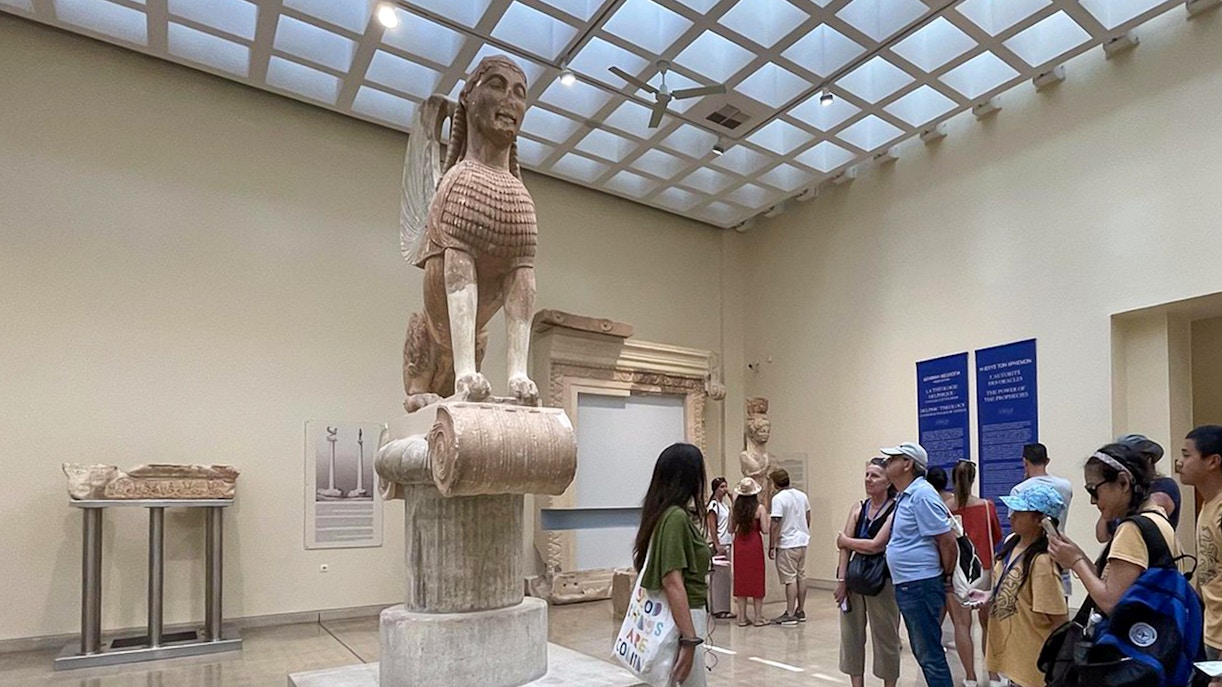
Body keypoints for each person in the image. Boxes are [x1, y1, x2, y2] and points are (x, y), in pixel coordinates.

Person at [1048, 443, 1181, 618]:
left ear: (1123, 482)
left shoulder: (1132, 530)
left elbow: (1111, 602)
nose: (1093, 501)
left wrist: (1075, 562)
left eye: (1093, 490)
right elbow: (1110, 581)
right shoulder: (1157, 517)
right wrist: (1078, 555)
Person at [634, 443, 712, 687]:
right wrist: (689, 639)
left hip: (682, 615)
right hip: (683, 616)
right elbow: (672, 580)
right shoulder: (675, 517)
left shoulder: (665, 514)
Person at [881, 441, 957, 687]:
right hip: (910, 583)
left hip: (920, 584)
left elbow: (947, 541)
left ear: (908, 464)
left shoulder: (922, 495)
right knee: (924, 651)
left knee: (929, 653)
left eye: (893, 459)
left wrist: (946, 577)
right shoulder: (907, 495)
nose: (886, 463)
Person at [983, 484, 1068, 687]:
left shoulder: (1042, 562)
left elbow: (1059, 621)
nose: (1012, 516)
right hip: (1013, 653)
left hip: (1033, 662)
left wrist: (1057, 667)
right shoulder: (1012, 543)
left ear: (1041, 520)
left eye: (1020, 513)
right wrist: (990, 595)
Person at [835, 457, 901, 687]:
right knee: (851, 637)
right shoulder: (858, 508)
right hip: (854, 580)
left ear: (888, 482)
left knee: (886, 637)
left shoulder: (895, 510)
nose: (868, 480)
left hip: (882, 581)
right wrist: (842, 580)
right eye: (867, 475)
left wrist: (846, 540)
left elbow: (876, 545)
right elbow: (843, 549)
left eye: (875, 476)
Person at [945, 460, 1003, 687]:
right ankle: (994, 676)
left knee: (962, 625)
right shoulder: (987, 506)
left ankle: (970, 677)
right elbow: (996, 537)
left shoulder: (946, 509)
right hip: (984, 569)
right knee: (988, 623)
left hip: (957, 572)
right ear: (973, 479)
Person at [1176, 424, 1222, 679]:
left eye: (1186, 455)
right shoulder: (1208, 504)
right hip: (1212, 631)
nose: (1180, 463)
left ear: (1213, 461)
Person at [1010, 442, 1074, 598]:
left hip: (1029, 556)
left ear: (1025, 462)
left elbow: (1016, 527)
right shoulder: (1065, 486)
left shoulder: (1019, 490)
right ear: (1047, 461)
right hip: (1059, 549)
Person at [1094, 433, 1181, 542]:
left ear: (1148, 460)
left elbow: (1148, 518)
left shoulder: (1164, 485)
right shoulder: (1124, 490)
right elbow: (1102, 536)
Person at [769, 468, 810, 626]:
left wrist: (772, 545)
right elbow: (808, 516)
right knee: (801, 576)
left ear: (775, 483)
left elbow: (775, 522)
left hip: (787, 543)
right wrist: (804, 531)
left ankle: (790, 612)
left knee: (790, 578)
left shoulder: (778, 499)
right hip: (802, 541)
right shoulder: (802, 495)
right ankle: (801, 610)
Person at [730, 477, 768, 627]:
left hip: (740, 544)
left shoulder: (735, 509)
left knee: (741, 579)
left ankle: (742, 617)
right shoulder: (759, 509)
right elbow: (765, 530)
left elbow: (730, 529)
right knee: (757, 577)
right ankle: (758, 616)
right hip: (754, 544)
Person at [706, 477, 734, 619]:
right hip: (720, 543)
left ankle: (724, 607)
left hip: (727, 541)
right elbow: (712, 525)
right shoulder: (713, 505)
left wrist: (732, 498)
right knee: (718, 577)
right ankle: (718, 608)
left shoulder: (724, 505)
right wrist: (717, 544)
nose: (724, 489)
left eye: (725, 486)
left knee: (725, 577)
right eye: (722, 487)